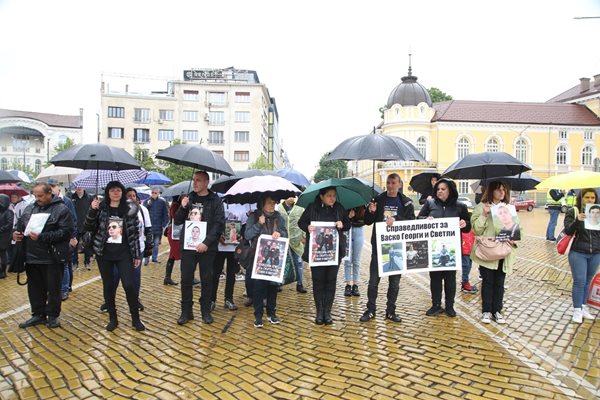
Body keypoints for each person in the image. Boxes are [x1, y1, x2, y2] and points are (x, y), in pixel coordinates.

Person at [85, 180, 145, 332]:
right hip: (104, 253)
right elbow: (88, 227)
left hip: (124, 252)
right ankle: (113, 318)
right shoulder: (101, 208)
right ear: (108, 193)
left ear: (122, 192)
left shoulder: (130, 209)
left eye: (118, 190)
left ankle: (135, 318)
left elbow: (134, 233)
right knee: (109, 286)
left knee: (129, 285)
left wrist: (137, 254)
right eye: (112, 190)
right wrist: (92, 211)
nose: (115, 193)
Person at [14, 182, 73, 329]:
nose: (37, 198)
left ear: (49, 194)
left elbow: (65, 232)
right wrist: (15, 234)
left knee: (53, 288)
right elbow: (20, 226)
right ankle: (38, 314)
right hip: (31, 256)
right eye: (35, 195)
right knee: (34, 288)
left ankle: (53, 315)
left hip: (52, 256)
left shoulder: (61, 209)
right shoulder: (30, 208)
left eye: (40, 195)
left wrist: (42, 237)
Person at [360, 173, 414, 323]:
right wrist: (370, 211)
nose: (390, 186)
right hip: (379, 247)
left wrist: (396, 220)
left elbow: (411, 223)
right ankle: (371, 309)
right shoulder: (378, 199)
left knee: (394, 283)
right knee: (373, 282)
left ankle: (390, 311)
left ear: (399, 184)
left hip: (397, 247)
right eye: (388, 183)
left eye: (393, 183)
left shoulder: (406, 202)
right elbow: (368, 222)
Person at [174, 171, 224, 325]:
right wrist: (182, 208)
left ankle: (205, 311)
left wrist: (206, 243)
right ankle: (186, 311)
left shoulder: (215, 200)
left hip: (207, 248)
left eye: (199, 180)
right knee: (186, 279)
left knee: (207, 280)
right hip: (188, 246)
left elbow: (219, 223)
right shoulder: (188, 198)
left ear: (206, 182)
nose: (195, 183)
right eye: (194, 180)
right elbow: (177, 220)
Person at [418, 178, 470, 318]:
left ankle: (449, 306)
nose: (439, 191)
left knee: (450, 279)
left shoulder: (460, 206)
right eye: (438, 189)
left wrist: (465, 223)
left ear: (450, 190)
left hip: (451, 251)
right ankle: (436, 305)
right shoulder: (430, 204)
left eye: (443, 189)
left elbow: (468, 226)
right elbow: (419, 219)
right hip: (434, 249)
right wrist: (425, 220)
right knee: (435, 278)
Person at [299, 187, 351, 325]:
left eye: (334, 195)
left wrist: (342, 224)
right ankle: (319, 311)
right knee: (318, 281)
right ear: (321, 196)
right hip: (317, 253)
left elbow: (348, 224)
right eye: (329, 195)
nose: (332, 198)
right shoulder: (312, 208)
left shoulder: (339, 208)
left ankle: (327, 312)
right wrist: (307, 227)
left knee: (331, 281)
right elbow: (301, 222)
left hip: (334, 253)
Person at [471, 181, 518, 325]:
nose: (501, 192)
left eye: (504, 190)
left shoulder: (508, 208)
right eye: (498, 190)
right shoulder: (481, 207)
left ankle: (497, 310)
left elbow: (517, 229)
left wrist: (514, 237)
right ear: (491, 191)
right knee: (488, 281)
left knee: (500, 282)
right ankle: (486, 310)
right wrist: (485, 214)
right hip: (488, 251)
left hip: (504, 251)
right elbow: (476, 229)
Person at [245, 195, 287, 328]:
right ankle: (258, 315)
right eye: (269, 203)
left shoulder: (278, 217)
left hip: (274, 258)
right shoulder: (254, 216)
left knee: (273, 286)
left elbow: (285, 233)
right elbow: (247, 235)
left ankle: (271, 313)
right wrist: (259, 224)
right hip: (258, 258)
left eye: (274, 202)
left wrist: (279, 233)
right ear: (262, 203)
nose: (272, 205)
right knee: (258, 287)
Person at [563, 188, 600, 323]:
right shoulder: (574, 211)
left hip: (596, 252)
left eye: (592, 198)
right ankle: (577, 310)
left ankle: (584, 307)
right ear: (581, 198)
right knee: (579, 281)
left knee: (588, 281)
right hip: (578, 252)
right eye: (587, 197)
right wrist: (578, 220)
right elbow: (568, 230)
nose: (590, 200)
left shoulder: (597, 211)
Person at [211, 203, 248, 312]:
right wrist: (218, 236)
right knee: (215, 273)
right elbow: (214, 223)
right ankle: (212, 300)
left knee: (231, 274)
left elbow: (244, 225)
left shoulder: (242, 206)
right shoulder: (219, 204)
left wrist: (242, 235)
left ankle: (229, 299)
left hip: (234, 247)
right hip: (220, 246)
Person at [47, 178, 78, 302]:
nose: (51, 189)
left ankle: (65, 289)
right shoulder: (48, 201)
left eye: (53, 186)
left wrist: (73, 237)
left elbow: (73, 219)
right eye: (49, 187)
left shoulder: (67, 201)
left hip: (66, 237)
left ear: (58, 187)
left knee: (65, 264)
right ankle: (54, 288)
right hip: (53, 236)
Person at [126, 187, 153, 311]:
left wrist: (149, 244)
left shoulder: (143, 210)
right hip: (124, 249)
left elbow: (148, 229)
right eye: (128, 195)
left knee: (136, 275)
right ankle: (109, 300)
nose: (131, 198)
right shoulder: (121, 210)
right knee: (117, 276)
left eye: (133, 195)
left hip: (139, 248)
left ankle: (135, 299)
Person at [277, 197, 307, 293]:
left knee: (298, 262)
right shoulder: (279, 208)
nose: (291, 198)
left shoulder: (300, 208)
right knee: (281, 263)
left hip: (296, 240)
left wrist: (304, 236)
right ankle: (278, 283)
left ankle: (300, 284)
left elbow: (304, 221)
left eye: (293, 196)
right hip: (282, 239)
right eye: (288, 196)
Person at [142, 187, 169, 265]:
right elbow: (143, 213)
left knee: (156, 244)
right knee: (148, 243)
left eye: (155, 193)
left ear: (158, 193)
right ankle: (146, 259)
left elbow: (165, 214)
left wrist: (164, 224)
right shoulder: (147, 201)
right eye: (152, 193)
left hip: (158, 226)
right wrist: (148, 205)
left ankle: (154, 258)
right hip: (149, 227)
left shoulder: (162, 202)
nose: (154, 194)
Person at [69, 186, 93, 270]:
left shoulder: (90, 198)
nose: (79, 188)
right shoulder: (70, 198)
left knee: (87, 245)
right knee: (74, 246)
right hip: (75, 226)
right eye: (76, 186)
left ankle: (87, 262)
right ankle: (75, 263)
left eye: (81, 186)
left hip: (86, 226)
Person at [343, 206, 366, 297]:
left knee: (356, 260)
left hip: (359, 231)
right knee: (347, 259)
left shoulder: (363, 206)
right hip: (347, 230)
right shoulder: (346, 204)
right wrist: (348, 216)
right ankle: (348, 284)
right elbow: (340, 219)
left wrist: (357, 216)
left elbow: (367, 221)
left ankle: (355, 284)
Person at [163, 195, 181, 286]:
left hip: (176, 233)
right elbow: (176, 217)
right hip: (174, 233)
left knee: (172, 256)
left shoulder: (177, 204)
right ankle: (189, 277)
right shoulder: (175, 205)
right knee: (181, 255)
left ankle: (167, 278)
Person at [460, 229, 478, 294]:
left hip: (470, 249)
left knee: (469, 266)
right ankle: (465, 283)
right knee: (466, 267)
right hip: (464, 250)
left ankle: (465, 282)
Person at [0, 195, 14, 279]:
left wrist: (1, 229)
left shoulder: (9, 212)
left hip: (4, 237)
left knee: (3, 253)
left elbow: (9, 224)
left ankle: (3, 271)